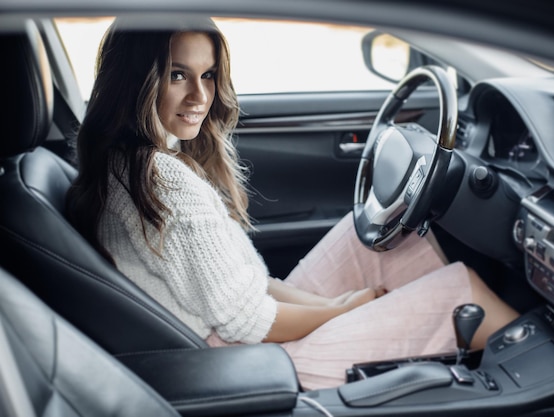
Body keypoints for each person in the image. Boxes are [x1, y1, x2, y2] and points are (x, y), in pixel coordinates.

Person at [66, 16, 519, 390]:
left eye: (207, 75)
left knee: (383, 241)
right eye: (177, 74)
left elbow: (245, 282)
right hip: (247, 362)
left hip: (229, 333)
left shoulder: (124, 162)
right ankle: (540, 386)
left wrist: (343, 305)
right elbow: (246, 320)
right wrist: (344, 311)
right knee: (464, 292)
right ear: (137, 80)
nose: (200, 97)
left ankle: (435, 363)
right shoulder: (161, 177)